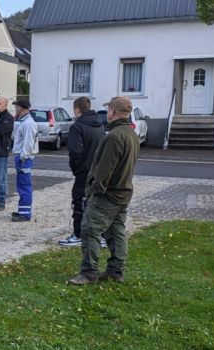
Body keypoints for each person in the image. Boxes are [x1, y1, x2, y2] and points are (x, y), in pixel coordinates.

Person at [67, 96, 141, 286]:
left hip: (107, 195)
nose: (107, 113)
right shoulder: (131, 134)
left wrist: (93, 190)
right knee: (116, 231)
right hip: (123, 192)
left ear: (113, 112)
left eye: (109, 109)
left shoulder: (114, 136)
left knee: (89, 229)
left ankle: (88, 272)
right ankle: (116, 270)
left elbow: (104, 171)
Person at [59, 97, 106, 247]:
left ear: (77, 109)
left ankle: (78, 234)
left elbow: (75, 151)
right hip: (98, 170)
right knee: (97, 202)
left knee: (79, 201)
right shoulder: (99, 125)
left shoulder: (77, 127)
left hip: (83, 171)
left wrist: (75, 168)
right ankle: (102, 235)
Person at [11, 99, 38, 222]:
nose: (15, 109)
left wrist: (22, 157)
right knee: (22, 184)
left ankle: (25, 213)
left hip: (24, 158)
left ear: (20, 108)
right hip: (22, 157)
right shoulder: (25, 122)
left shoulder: (28, 123)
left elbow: (28, 143)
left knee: (24, 185)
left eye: (16, 106)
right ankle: (23, 210)